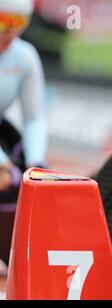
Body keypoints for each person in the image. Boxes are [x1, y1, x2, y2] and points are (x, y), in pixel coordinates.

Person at [0, 0, 47, 198]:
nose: (12, 30)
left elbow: (34, 119)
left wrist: (34, 164)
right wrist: (3, 164)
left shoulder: (25, 55)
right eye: (4, 21)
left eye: (20, 22)